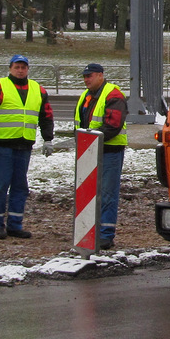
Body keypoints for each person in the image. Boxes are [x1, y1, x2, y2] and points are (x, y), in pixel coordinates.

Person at [0, 55, 55, 239]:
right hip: (3, 145)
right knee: (0, 185)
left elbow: (46, 116)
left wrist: (48, 139)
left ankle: (15, 224)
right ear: (10, 68)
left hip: (24, 145)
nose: (20, 70)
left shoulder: (38, 90)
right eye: (17, 67)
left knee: (20, 187)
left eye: (23, 67)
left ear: (28, 69)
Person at [75, 62, 128, 251]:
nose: (86, 80)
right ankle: (92, 230)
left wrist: (90, 141)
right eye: (85, 76)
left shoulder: (113, 95)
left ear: (100, 76)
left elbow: (113, 126)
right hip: (90, 152)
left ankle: (106, 234)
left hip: (109, 151)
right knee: (89, 193)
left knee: (106, 194)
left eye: (90, 76)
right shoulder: (87, 96)